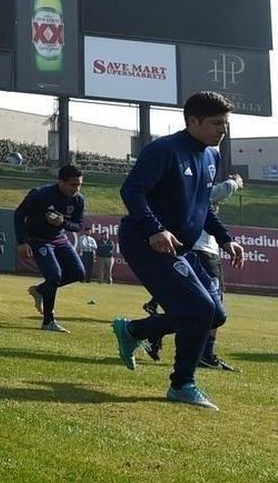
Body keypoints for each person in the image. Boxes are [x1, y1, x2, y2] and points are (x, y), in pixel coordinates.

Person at [110, 92, 245, 411]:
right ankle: (182, 384)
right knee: (198, 310)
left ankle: (134, 330)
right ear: (192, 121)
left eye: (225, 124)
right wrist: (154, 228)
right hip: (146, 243)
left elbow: (204, 206)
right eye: (216, 123)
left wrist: (225, 238)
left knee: (216, 314)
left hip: (182, 248)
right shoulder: (164, 150)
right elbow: (131, 190)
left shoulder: (212, 157)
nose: (222, 130)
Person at [143, 173, 244, 371]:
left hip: (197, 247)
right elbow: (220, 191)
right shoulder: (198, 188)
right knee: (215, 304)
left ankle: (154, 329)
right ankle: (205, 353)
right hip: (201, 249)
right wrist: (235, 182)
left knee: (190, 302)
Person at [15, 165, 86, 333]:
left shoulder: (78, 199)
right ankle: (48, 321)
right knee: (54, 276)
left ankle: (40, 290)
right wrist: (22, 242)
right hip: (38, 240)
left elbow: (78, 225)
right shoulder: (40, 194)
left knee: (79, 272)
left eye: (79, 184)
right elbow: (19, 215)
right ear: (61, 181)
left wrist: (62, 223)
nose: (76, 189)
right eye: (73, 184)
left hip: (59, 239)